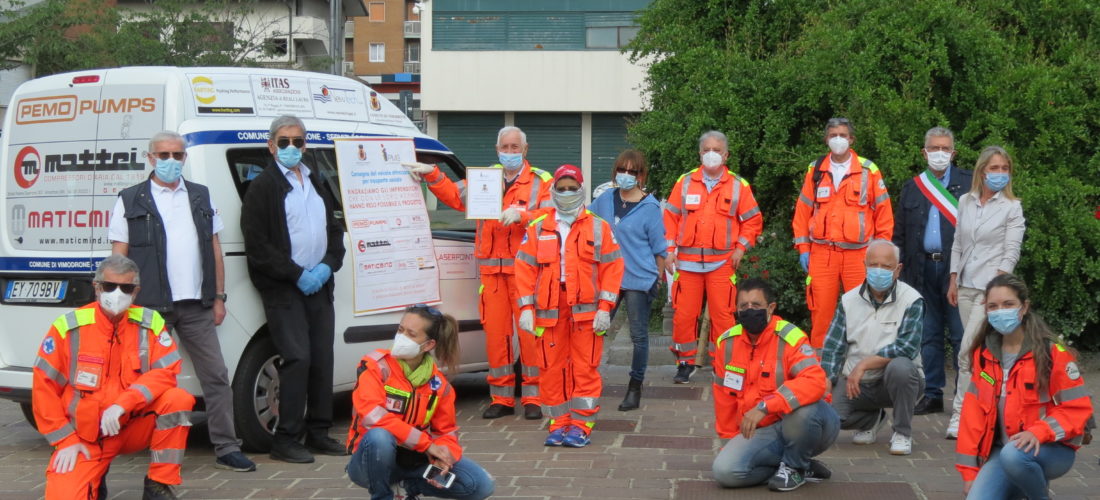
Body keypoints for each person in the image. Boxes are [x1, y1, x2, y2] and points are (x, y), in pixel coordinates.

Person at [108, 131, 255, 473]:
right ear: (150, 158)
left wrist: (218, 297)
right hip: (149, 307)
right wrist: (120, 302)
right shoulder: (131, 199)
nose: (171, 161)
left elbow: (215, 249)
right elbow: (119, 256)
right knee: (145, 379)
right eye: (164, 155)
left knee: (216, 376)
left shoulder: (201, 196)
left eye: (177, 155)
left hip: (197, 303)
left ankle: (227, 446)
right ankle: (138, 440)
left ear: (185, 158)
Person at [403, 126, 553, 421]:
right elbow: (455, 196)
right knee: (496, 338)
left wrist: (523, 216)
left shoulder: (540, 181)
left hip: (525, 272)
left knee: (529, 337)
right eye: (504, 147)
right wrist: (431, 173)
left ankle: (534, 396)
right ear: (496, 149)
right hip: (491, 274)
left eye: (515, 147)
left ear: (525, 150)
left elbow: (551, 215)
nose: (509, 152)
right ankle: (501, 398)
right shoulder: (485, 178)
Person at [32, 255, 194, 500]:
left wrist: (123, 404)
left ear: (136, 292)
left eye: (126, 288)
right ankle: (95, 477)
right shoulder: (68, 327)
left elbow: (166, 373)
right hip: (87, 437)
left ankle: (158, 484)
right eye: (109, 286)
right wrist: (64, 439)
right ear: (97, 288)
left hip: (131, 424)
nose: (117, 294)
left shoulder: (150, 324)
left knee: (178, 400)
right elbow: (43, 385)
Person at [240, 115, 347, 463]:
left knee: (321, 358)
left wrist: (327, 266)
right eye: (283, 142)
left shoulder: (315, 180)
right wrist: (296, 274)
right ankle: (286, 438)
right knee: (297, 357)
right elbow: (258, 245)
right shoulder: (263, 187)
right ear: (271, 146)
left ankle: (318, 432)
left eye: (297, 141)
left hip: (319, 284)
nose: (291, 148)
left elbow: (334, 231)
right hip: (285, 288)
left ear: (305, 144)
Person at [956, 274, 1093, 499]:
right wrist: (970, 474)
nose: (1000, 311)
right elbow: (972, 416)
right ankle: (1020, 485)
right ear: (986, 310)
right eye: (993, 306)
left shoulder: (1052, 354)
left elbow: (1077, 408)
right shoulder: (984, 354)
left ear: (1024, 306)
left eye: (1008, 304)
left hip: (1051, 448)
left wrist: (1039, 432)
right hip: (1003, 451)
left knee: (1014, 456)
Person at [515, 165, 624, 448]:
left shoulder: (598, 226)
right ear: (553, 191)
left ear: (581, 189)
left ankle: (581, 424)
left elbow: (613, 267)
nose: (566, 193)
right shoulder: (538, 227)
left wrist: (606, 307)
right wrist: (526, 309)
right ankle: (559, 423)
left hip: (587, 310)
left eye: (571, 188)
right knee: (551, 368)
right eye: (561, 188)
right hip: (550, 310)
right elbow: (525, 269)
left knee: (584, 367)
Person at [346, 304, 495, 500]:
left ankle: (407, 487)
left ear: (428, 345)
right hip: (370, 461)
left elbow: (447, 431)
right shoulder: (374, 366)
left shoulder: (439, 384)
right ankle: (382, 496)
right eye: (401, 329)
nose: (401, 337)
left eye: (411, 333)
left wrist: (444, 458)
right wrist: (426, 445)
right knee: (379, 436)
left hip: (414, 461)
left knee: (480, 485)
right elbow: (373, 416)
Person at [710, 278, 838, 492]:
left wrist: (766, 406)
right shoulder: (727, 343)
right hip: (761, 432)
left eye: (756, 305)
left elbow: (816, 382)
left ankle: (795, 466)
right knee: (725, 472)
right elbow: (724, 399)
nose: (749, 310)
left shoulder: (790, 338)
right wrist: (728, 444)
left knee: (804, 411)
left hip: (806, 424)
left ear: (771, 308)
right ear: (736, 310)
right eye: (743, 306)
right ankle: (793, 466)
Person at [663, 130, 763, 383]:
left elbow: (752, 220)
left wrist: (741, 247)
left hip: (722, 262)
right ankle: (684, 363)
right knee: (684, 316)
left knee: (723, 316)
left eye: (716, 150)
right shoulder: (684, 182)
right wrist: (669, 250)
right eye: (707, 149)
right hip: (686, 263)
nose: (711, 154)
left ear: (726, 155)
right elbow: (670, 218)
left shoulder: (739, 185)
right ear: (699, 153)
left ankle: (723, 363)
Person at [945, 145, 1026, 439]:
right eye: (995, 168)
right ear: (982, 171)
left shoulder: (1011, 207)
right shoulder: (966, 201)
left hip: (989, 291)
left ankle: (960, 415)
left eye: (1005, 169)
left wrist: (998, 290)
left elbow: (1011, 251)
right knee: (980, 353)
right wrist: (953, 278)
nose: (1000, 174)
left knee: (966, 351)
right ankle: (988, 410)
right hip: (965, 285)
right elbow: (957, 242)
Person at [792, 118, 894, 349]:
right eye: (833, 135)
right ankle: (820, 367)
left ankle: (863, 363)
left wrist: (879, 256)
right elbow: (802, 212)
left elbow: (884, 215)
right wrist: (803, 248)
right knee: (820, 312)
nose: (838, 139)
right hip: (821, 253)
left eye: (843, 135)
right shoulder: (816, 170)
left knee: (864, 310)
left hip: (858, 256)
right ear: (826, 139)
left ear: (851, 139)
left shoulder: (869, 170)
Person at [892, 127, 972, 416]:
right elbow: (899, 233)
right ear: (925, 153)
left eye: (945, 148)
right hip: (921, 268)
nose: (940, 153)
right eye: (935, 148)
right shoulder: (913, 187)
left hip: (957, 270)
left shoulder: (969, 182)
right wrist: (897, 270)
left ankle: (966, 396)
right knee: (928, 334)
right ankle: (933, 393)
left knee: (961, 335)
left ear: (953, 152)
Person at [820, 240, 924, 456]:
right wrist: (826, 382)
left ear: (898, 270)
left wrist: (865, 364)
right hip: (857, 383)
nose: (879, 271)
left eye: (886, 266)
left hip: (895, 381)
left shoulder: (912, 300)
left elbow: (907, 347)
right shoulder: (849, 300)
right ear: (864, 265)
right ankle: (872, 419)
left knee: (901, 367)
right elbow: (833, 346)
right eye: (873, 264)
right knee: (829, 416)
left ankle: (902, 433)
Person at [591, 149, 666, 411]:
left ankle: (634, 388)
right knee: (596, 329)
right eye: (622, 170)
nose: (626, 175)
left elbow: (660, 249)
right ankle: (588, 381)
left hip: (638, 279)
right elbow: (586, 225)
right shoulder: (604, 200)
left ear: (641, 175)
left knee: (638, 336)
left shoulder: (650, 207)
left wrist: (657, 280)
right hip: (607, 278)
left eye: (632, 171)